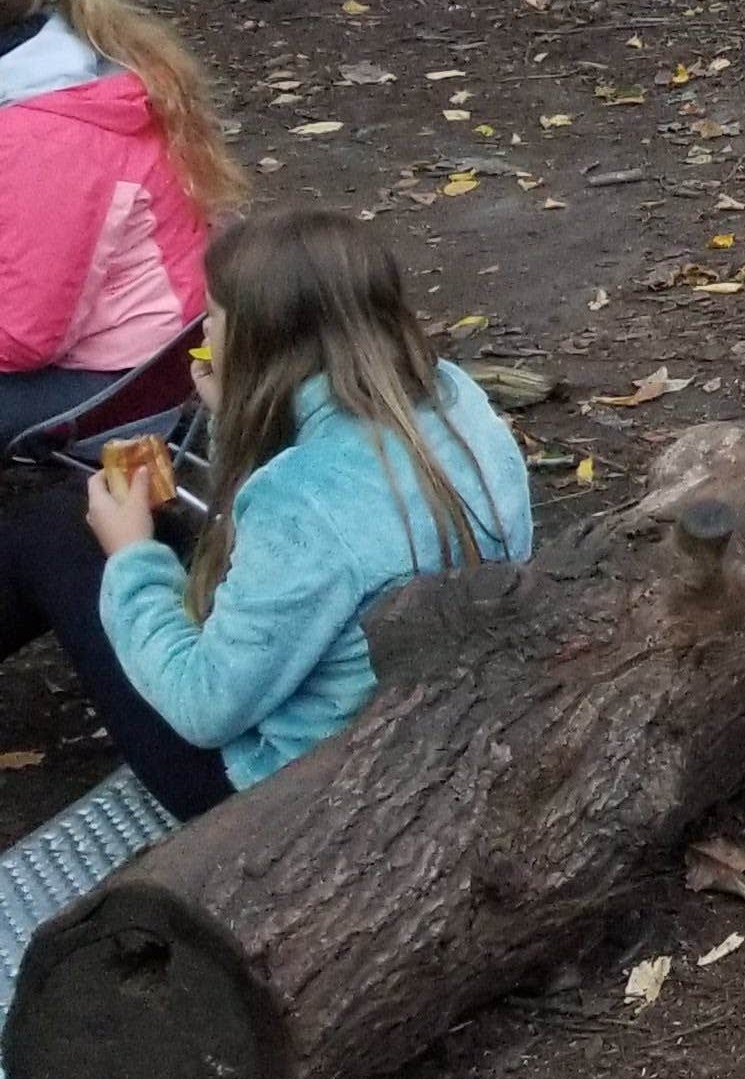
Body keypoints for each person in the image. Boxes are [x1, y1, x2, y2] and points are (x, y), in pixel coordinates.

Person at [0, 204, 532, 817]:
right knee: (128, 519)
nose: (202, 334)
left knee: (53, 533)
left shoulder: (302, 504)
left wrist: (133, 557)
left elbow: (203, 705)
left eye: (213, 318)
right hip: (425, 720)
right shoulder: (455, 398)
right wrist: (236, 416)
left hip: (281, 791)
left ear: (259, 340)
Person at [0, 0, 241, 446]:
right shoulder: (66, 66)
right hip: (142, 342)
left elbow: (24, 338)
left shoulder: (46, 135)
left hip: (121, 381)